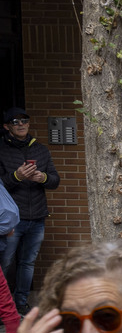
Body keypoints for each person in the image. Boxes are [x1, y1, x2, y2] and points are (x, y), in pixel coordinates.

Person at [0, 108, 61, 313]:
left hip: (37, 216)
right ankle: (4, 307)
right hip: (11, 220)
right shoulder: (1, 149)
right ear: (6, 126)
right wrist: (16, 176)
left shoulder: (41, 149)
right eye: (15, 121)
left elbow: (55, 180)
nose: (21, 124)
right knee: (5, 263)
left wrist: (42, 178)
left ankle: (20, 304)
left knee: (28, 263)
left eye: (24, 120)